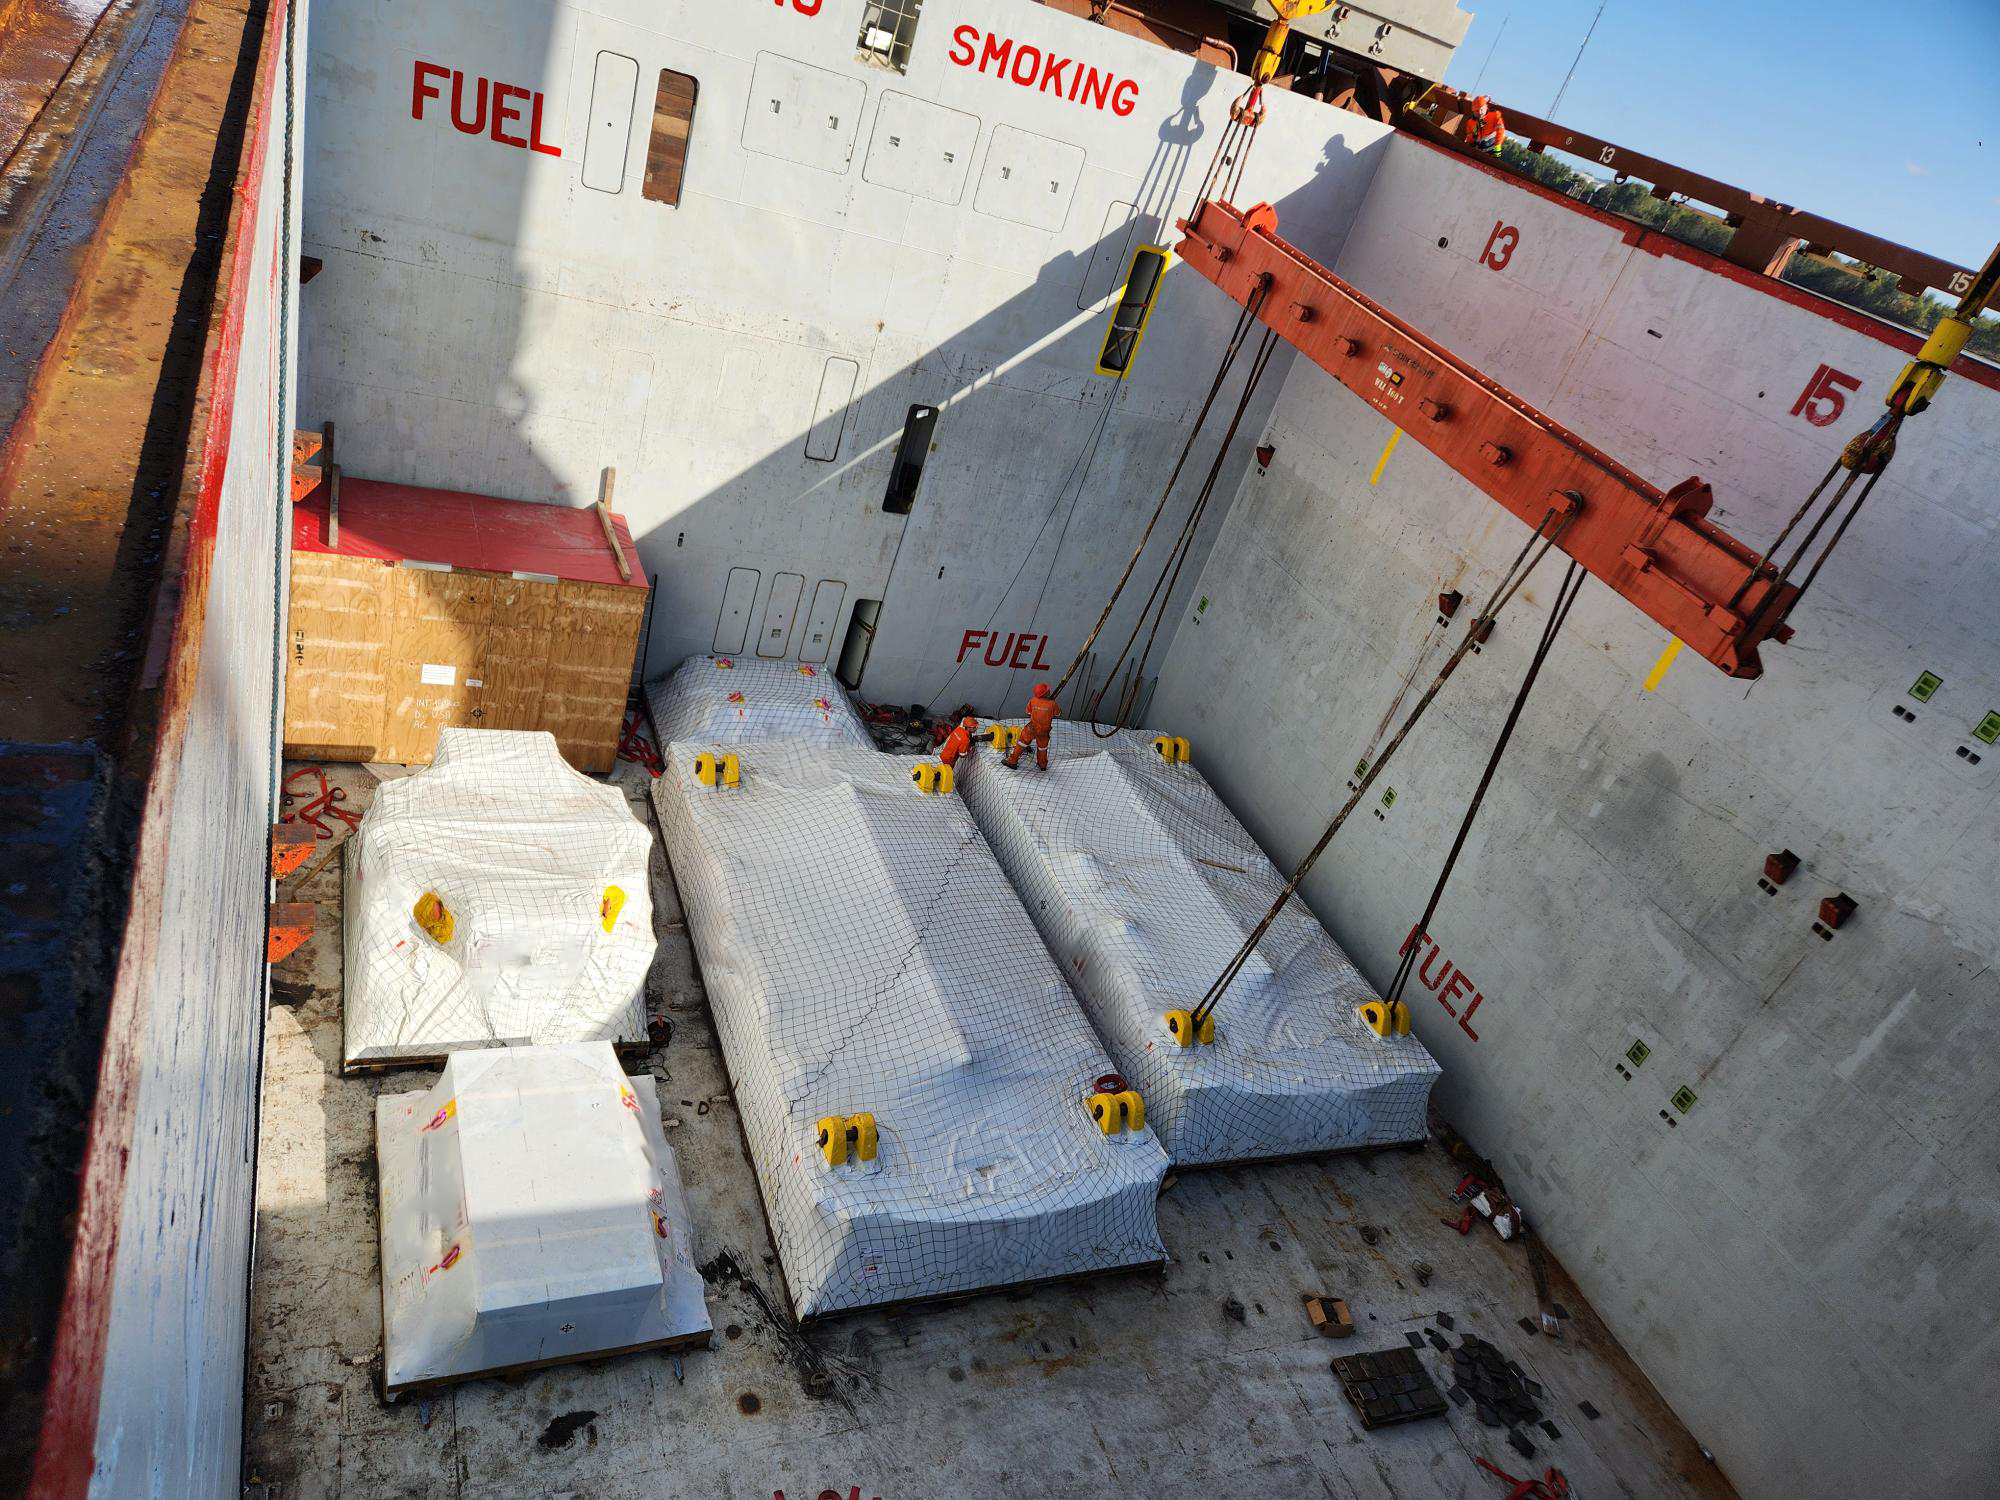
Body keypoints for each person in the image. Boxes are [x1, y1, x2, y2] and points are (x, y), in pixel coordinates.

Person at [1004, 683, 1059, 771]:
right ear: (1045, 694)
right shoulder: (1052, 704)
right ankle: (1042, 765)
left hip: (1032, 728)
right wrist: (1048, 706)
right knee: (1042, 748)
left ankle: (1012, 761)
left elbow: (1028, 712)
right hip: (1044, 731)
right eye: (1047, 690)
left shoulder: (1033, 700)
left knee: (1022, 743)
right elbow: (1057, 713)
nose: (1049, 691)